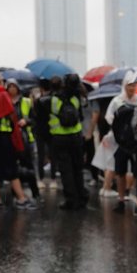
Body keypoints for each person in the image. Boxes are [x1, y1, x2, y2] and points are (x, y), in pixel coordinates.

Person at [0, 71, 35, 210]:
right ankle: (21, 198)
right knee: (10, 167)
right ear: (0, 82)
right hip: (4, 135)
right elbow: (11, 113)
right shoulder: (2, 95)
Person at [105, 71, 137, 213]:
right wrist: (119, 128)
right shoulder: (117, 101)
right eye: (129, 85)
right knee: (120, 172)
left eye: (134, 85)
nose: (131, 88)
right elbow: (108, 117)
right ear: (124, 86)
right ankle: (121, 200)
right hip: (121, 142)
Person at [48, 74, 88, 210]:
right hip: (76, 136)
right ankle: (82, 198)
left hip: (60, 138)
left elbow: (52, 114)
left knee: (66, 170)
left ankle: (71, 200)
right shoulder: (77, 97)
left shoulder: (54, 99)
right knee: (78, 169)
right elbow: (80, 116)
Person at [7, 79, 42, 202]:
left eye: (13, 86)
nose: (11, 89)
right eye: (9, 87)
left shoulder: (26, 101)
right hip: (11, 138)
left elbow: (35, 118)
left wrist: (26, 121)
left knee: (29, 166)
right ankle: (16, 193)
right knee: (13, 167)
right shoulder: (5, 102)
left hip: (26, 138)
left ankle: (35, 192)